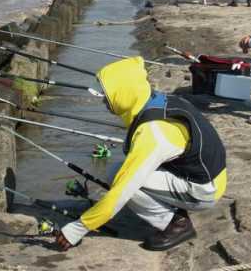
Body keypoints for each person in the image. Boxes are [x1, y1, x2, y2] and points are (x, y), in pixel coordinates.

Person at [55, 57, 227, 251]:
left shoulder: (153, 133)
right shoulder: (157, 100)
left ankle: (176, 224)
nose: (104, 100)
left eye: (108, 94)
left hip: (204, 190)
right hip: (207, 175)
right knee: (124, 172)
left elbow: (121, 191)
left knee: (118, 177)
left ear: (124, 92)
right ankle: (171, 207)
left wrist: (78, 228)